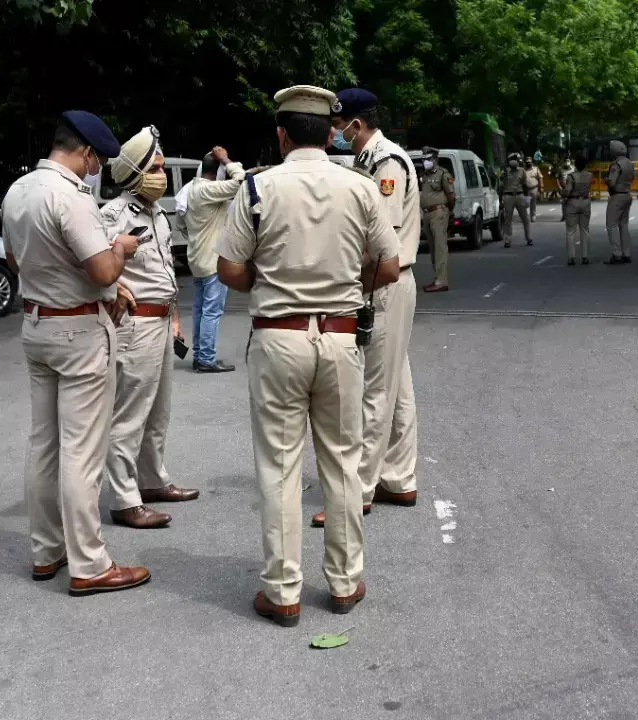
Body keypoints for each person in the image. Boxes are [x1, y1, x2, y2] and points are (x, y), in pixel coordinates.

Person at [215, 85, 401, 627]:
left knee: (279, 466)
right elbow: (389, 266)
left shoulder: (256, 187)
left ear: (281, 135)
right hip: (341, 338)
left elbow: (229, 269)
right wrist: (347, 284)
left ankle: (282, 591)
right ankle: (344, 582)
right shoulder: (360, 186)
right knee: (342, 461)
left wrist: (266, 281)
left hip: (278, 337)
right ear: (330, 132)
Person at [1, 110, 150, 595]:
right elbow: (103, 270)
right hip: (79, 331)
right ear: (85, 152)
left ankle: (47, 550)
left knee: (43, 445)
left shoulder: (18, 190)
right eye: (97, 160)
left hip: (36, 323)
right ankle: (90, 563)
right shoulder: (71, 196)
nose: (97, 168)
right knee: (82, 451)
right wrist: (122, 248)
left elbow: (15, 260)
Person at [314, 87, 420, 528]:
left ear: (356, 124)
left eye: (338, 126)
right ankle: (399, 476)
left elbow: (381, 242)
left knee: (373, 390)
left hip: (384, 282)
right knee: (396, 386)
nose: (334, 133)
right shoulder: (366, 161)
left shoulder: (386, 162)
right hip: (384, 282)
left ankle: (357, 490)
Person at [100, 126, 199, 530]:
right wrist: (113, 289)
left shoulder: (157, 214)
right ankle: (124, 499)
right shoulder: (113, 215)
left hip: (160, 320)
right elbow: (96, 266)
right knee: (129, 414)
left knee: (158, 410)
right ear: (135, 173)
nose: (161, 175)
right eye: (155, 168)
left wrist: (174, 316)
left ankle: (152, 479)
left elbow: (164, 272)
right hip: (135, 323)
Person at [183, 146, 244, 373]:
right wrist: (226, 160)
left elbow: (181, 224)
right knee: (212, 311)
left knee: (200, 311)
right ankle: (207, 360)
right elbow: (242, 181)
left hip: (197, 259)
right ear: (218, 171)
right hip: (212, 262)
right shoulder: (209, 189)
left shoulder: (191, 189)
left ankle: (200, 356)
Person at [418, 146, 455, 292]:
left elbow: (451, 195)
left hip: (439, 212)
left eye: (428, 159)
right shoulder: (425, 175)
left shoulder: (443, 174)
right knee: (433, 248)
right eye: (424, 159)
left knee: (440, 248)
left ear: (435, 159)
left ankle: (442, 281)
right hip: (427, 214)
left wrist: (448, 211)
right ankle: (437, 278)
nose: (425, 162)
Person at [604, 140, 635, 264]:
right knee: (624, 225)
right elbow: (633, 177)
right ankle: (626, 254)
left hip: (617, 196)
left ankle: (616, 254)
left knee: (611, 225)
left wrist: (606, 179)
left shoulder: (616, 165)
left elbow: (612, 182)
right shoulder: (629, 163)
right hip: (627, 194)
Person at [562, 155, 593, 265]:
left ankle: (571, 258)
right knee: (584, 229)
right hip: (585, 201)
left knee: (571, 231)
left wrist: (563, 193)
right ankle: (585, 257)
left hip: (573, 202)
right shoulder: (590, 175)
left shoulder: (571, 176)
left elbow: (567, 191)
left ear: (575, 164)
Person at [498, 153, 531, 247]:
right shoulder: (504, 171)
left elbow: (525, 184)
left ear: (518, 161)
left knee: (525, 218)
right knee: (507, 219)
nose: (513, 161)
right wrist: (500, 201)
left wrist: (527, 197)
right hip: (508, 196)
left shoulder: (522, 170)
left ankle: (528, 238)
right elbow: (500, 186)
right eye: (511, 159)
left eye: (514, 159)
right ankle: (508, 240)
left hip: (520, 195)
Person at [523, 156, 543, 222]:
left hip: (534, 188)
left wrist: (541, 187)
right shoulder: (522, 170)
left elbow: (540, 177)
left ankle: (533, 215)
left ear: (532, 162)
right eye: (527, 162)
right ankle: (526, 216)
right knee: (526, 203)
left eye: (530, 162)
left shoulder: (536, 169)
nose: (528, 163)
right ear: (525, 163)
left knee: (533, 203)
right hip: (525, 189)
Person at [558, 157, 574, 222]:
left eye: (568, 161)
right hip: (563, 187)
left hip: (572, 187)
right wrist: (559, 186)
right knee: (564, 202)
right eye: (566, 161)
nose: (567, 163)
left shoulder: (573, 168)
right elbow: (557, 178)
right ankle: (564, 216)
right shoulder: (560, 169)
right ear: (564, 162)